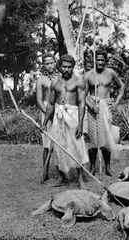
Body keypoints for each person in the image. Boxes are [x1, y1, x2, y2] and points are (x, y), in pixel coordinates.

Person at [41, 54, 89, 189]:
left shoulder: (78, 82)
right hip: (58, 116)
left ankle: (80, 178)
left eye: (69, 67)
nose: (67, 69)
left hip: (73, 115)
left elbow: (81, 104)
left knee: (76, 146)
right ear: (60, 67)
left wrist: (80, 124)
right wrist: (44, 123)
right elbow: (50, 104)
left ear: (73, 67)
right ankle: (61, 177)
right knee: (58, 146)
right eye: (64, 67)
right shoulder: (55, 82)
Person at [83, 49, 125, 176]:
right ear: (94, 60)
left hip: (105, 106)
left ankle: (107, 167)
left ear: (105, 61)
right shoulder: (88, 75)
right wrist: (90, 106)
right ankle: (92, 167)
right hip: (92, 107)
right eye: (98, 59)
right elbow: (83, 95)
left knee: (106, 138)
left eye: (102, 60)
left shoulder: (110, 73)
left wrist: (116, 101)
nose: (100, 62)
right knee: (93, 140)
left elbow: (122, 86)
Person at [36, 53, 58, 183]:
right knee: (47, 144)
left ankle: (61, 172)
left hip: (59, 110)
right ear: (43, 65)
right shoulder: (41, 80)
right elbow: (39, 100)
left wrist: (57, 112)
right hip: (46, 111)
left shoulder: (61, 77)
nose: (50, 65)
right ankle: (45, 170)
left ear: (55, 63)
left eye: (51, 62)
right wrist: (49, 115)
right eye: (47, 63)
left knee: (60, 143)